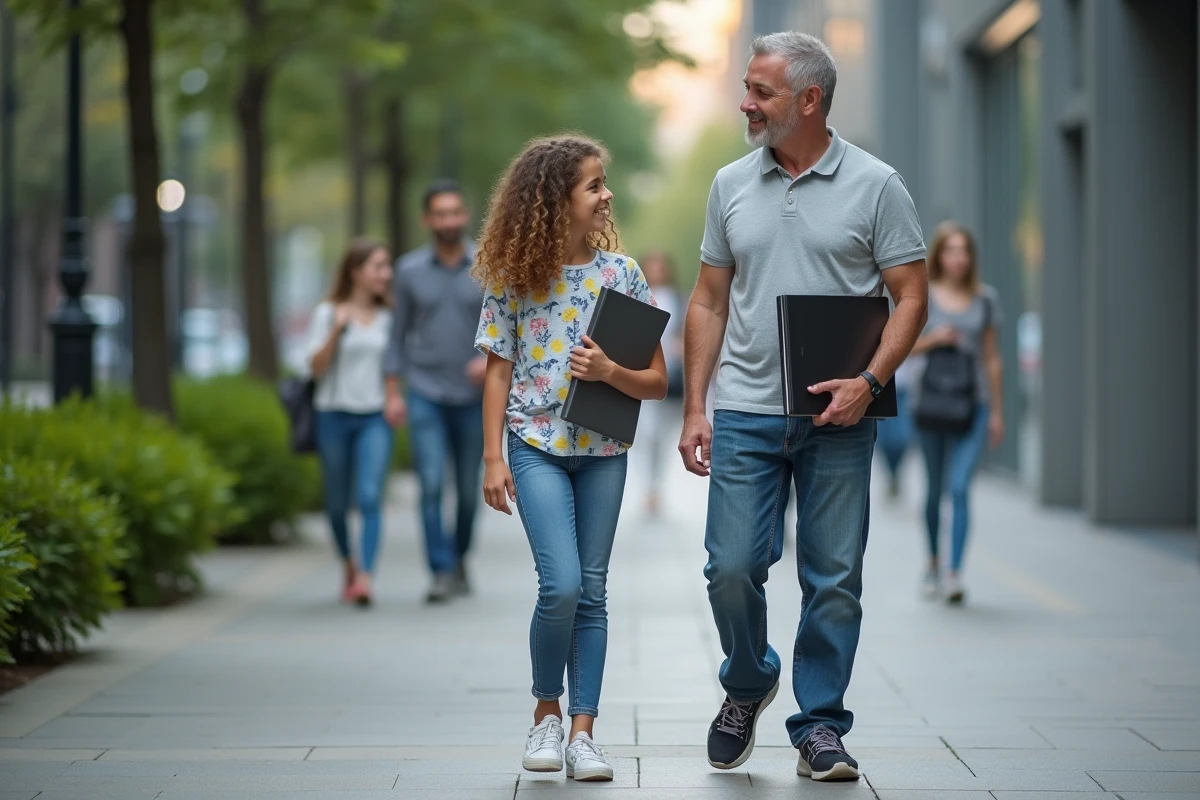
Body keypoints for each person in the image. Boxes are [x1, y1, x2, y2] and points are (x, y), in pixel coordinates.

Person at [679, 33, 928, 782]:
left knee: (834, 579)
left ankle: (819, 725)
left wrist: (870, 382)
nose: (746, 103)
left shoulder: (877, 185)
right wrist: (695, 406)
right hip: (746, 412)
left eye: (762, 92)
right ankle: (748, 678)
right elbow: (708, 299)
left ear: (810, 100)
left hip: (840, 417)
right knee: (730, 568)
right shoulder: (729, 183)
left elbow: (911, 296)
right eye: (747, 88)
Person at [473, 135, 668, 783]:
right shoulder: (514, 277)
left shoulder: (623, 275)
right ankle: (545, 714)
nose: (607, 194)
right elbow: (497, 373)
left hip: (604, 451)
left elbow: (656, 383)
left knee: (593, 590)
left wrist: (612, 371)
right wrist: (493, 458)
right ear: (557, 200)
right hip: (536, 450)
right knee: (561, 586)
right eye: (594, 185)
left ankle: (584, 733)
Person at [384, 180, 487, 604]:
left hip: (473, 396)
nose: (448, 221)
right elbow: (396, 335)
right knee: (429, 484)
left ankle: (459, 557)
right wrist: (393, 391)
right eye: (440, 214)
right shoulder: (408, 271)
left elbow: (507, 326)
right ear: (427, 219)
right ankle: (441, 570)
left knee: (468, 491)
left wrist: (490, 360)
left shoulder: (487, 265)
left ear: (465, 215)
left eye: (455, 212)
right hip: (424, 389)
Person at [910, 222, 1003, 604]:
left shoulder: (986, 299)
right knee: (934, 491)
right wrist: (935, 339)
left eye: (964, 250)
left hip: (973, 405)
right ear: (939, 255)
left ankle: (954, 573)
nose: (958, 257)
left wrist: (996, 411)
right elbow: (902, 348)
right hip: (931, 404)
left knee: (960, 487)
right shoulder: (924, 296)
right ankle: (933, 562)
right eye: (951, 250)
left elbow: (992, 358)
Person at [306, 239, 396, 607]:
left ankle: (365, 577)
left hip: (374, 416)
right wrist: (336, 330)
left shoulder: (389, 317)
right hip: (332, 414)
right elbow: (315, 368)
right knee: (336, 502)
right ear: (356, 272)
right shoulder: (327, 313)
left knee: (370, 496)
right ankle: (348, 561)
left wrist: (394, 398)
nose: (386, 274)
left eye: (387, 266)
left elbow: (394, 366)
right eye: (378, 266)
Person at [634, 251, 683, 517]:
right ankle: (648, 488)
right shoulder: (636, 295)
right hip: (640, 374)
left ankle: (656, 487)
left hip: (670, 379)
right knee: (647, 434)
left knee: (662, 437)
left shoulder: (677, 299)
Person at [876, 354, 916, 499]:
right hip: (880, 387)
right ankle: (892, 473)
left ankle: (895, 471)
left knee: (902, 438)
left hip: (904, 389)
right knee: (884, 441)